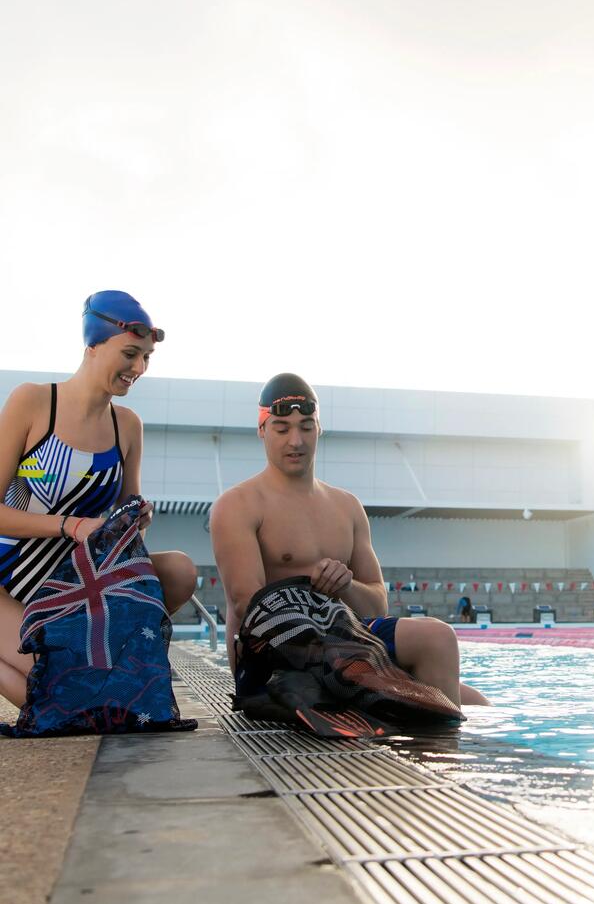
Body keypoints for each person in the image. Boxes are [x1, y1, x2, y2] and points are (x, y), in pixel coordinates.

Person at [210, 373, 487, 708]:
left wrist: (346, 587)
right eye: (282, 428)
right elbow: (247, 607)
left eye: (306, 427)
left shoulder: (347, 506)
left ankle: (433, 756)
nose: (295, 440)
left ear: (319, 429)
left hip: (346, 644)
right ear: (262, 430)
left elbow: (376, 605)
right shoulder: (238, 505)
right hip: (274, 661)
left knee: (463, 683)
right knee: (431, 658)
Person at [0, 291, 197, 706]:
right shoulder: (34, 403)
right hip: (9, 582)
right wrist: (69, 525)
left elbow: (127, 528)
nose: (139, 368)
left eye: (146, 358)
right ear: (92, 346)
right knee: (63, 689)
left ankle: (102, 665)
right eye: (130, 354)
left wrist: (136, 517)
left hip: (71, 586)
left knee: (178, 571)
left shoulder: (127, 426)